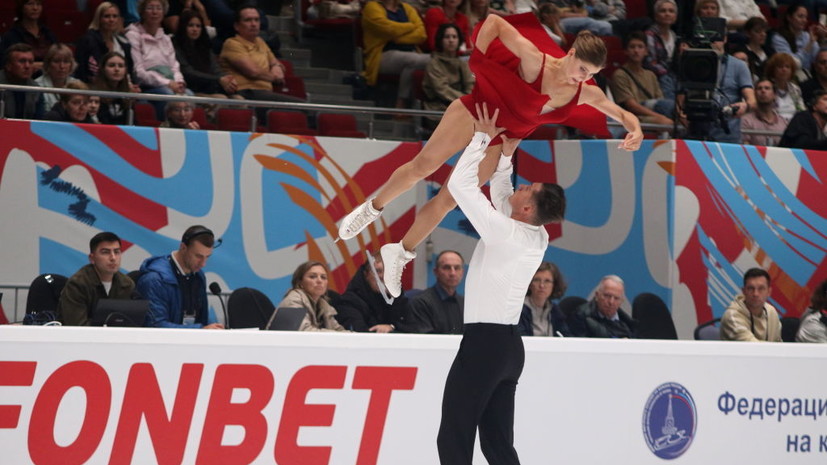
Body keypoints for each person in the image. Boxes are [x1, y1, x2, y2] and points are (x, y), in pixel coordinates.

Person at [338, 13, 642, 298]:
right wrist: (478, 65)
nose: (584, 78)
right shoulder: (535, 61)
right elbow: (494, 22)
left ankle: (400, 252)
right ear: (572, 53)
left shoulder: (585, 92)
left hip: (499, 138)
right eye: (583, 70)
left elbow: (621, 113)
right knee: (423, 167)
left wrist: (636, 129)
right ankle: (371, 209)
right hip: (475, 112)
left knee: (450, 199)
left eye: (591, 74)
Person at [436, 104, 566, 465]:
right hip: (508, 349)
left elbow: (460, 185)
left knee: (454, 436)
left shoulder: (506, 232)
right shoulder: (536, 234)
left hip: (483, 346)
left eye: (531, 189)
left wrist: (480, 137)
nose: (524, 187)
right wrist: (506, 158)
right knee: (496, 445)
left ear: (528, 209)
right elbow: (503, 195)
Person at [218, 4, 303, 118]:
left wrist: (277, 66)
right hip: (247, 93)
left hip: (265, 93)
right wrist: (275, 77)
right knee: (303, 107)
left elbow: (275, 62)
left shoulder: (260, 42)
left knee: (304, 109)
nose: (253, 24)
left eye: (256, 20)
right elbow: (253, 72)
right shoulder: (232, 43)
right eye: (248, 20)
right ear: (237, 26)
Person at [136, 225, 225, 328]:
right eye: (198, 256)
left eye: (207, 257)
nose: (203, 264)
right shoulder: (154, 280)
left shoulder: (198, 276)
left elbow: (202, 319)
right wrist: (201, 330)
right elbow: (156, 326)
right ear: (183, 247)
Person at [126, 0, 193, 119]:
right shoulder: (133, 35)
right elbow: (139, 72)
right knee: (168, 95)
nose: (155, 12)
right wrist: (167, 83)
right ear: (142, 12)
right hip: (148, 85)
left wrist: (179, 82)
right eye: (150, 8)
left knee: (189, 95)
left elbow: (174, 65)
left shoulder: (166, 38)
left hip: (170, 83)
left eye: (158, 8)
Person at [361, 0, 431, 110]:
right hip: (382, 56)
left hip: (412, 54)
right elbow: (388, 29)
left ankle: (404, 103)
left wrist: (396, 38)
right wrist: (411, 26)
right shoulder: (371, 7)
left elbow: (421, 35)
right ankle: (402, 104)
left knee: (422, 62)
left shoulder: (408, 9)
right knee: (417, 60)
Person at [57, 232, 136, 326]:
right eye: (105, 252)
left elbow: (130, 322)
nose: (113, 258)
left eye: (117, 252)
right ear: (92, 258)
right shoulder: (77, 284)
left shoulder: (126, 284)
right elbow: (77, 326)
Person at [331, 253, 412, 332]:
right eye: (377, 271)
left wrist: (392, 327)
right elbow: (359, 336)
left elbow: (415, 327)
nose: (384, 277)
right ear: (366, 274)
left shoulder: (399, 300)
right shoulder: (348, 302)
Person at [609, 31, 674, 126]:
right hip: (634, 116)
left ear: (646, 51)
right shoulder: (620, 75)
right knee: (666, 121)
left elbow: (660, 100)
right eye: (632, 47)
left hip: (653, 110)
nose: (636, 51)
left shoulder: (650, 75)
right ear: (626, 51)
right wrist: (660, 117)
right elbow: (631, 106)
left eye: (640, 47)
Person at [173, 8, 239, 99]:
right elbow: (188, 73)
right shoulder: (176, 46)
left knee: (239, 99)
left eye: (198, 26)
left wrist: (227, 78)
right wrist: (218, 79)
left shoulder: (204, 47)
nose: (195, 29)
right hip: (190, 89)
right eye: (191, 25)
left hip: (209, 87)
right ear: (183, 27)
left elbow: (215, 69)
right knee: (221, 98)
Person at [267, 261, 348, 332]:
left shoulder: (324, 306)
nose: (319, 281)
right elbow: (304, 332)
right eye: (313, 276)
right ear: (300, 282)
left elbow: (338, 330)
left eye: (323, 277)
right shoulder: (293, 300)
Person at [422, 23, 475, 128]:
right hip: (437, 109)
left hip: (461, 107)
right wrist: (466, 102)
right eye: (447, 37)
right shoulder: (434, 63)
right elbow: (442, 90)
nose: (451, 40)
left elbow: (470, 85)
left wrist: (471, 102)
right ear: (440, 40)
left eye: (454, 37)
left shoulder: (462, 63)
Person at [74, 2, 137, 85]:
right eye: (107, 16)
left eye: (115, 16)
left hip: (122, 86)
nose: (111, 20)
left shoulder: (123, 42)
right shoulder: (88, 40)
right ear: (99, 19)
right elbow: (84, 71)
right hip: (96, 87)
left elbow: (129, 70)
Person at [407, 250, 465, 334]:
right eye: (447, 267)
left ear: (462, 273)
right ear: (436, 271)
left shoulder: (465, 303)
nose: (453, 273)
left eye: (457, 268)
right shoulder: (421, 302)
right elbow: (427, 340)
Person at [720, 267, 781, 342]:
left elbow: (779, 344)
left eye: (761, 288)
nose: (756, 294)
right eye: (751, 288)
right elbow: (753, 349)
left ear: (769, 292)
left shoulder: (771, 312)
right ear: (743, 291)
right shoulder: (732, 316)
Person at [518, 261, 572, 337]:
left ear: (554, 285)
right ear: (529, 283)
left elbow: (566, 337)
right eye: (537, 280)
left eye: (547, 281)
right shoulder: (519, 309)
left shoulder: (555, 310)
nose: (542, 285)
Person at [570, 275, 635, 338]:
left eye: (616, 298)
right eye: (607, 296)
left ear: (621, 301)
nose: (611, 302)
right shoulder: (582, 316)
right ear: (597, 295)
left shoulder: (628, 322)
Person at [0, 0, 57, 72]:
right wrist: (33, 65)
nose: (35, 8)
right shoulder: (11, 35)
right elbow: (5, 64)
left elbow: (57, 56)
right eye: (30, 4)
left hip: (50, 76)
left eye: (38, 4)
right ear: (22, 7)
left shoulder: (47, 33)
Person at [771, 2, 826, 73]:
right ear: (789, 18)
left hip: (808, 74)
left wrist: (823, 39)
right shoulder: (778, 38)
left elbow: (818, 58)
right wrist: (809, 45)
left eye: (806, 17)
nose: (804, 20)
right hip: (791, 76)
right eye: (800, 16)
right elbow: (791, 64)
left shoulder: (807, 35)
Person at [644, 0, 679, 99]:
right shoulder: (649, 35)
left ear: (675, 16)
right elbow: (650, 62)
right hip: (657, 76)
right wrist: (668, 74)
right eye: (663, 11)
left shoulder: (674, 35)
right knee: (667, 79)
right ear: (656, 16)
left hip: (672, 74)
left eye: (671, 11)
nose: (667, 14)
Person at [91, 51, 137, 125]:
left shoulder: (128, 95)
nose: (116, 69)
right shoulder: (93, 93)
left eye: (121, 66)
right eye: (111, 65)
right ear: (103, 69)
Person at [0, 43, 45, 120]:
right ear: (8, 65)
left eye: (30, 62)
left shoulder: (35, 89)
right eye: (22, 61)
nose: (27, 66)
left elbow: (39, 120)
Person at [35, 44, 81, 115]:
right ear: (48, 63)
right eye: (56, 61)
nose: (62, 66)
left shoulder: (78, 84)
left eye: (66, 62)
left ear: (71, 64)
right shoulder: (37, 85)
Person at [741, 79, 789, 146]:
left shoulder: (784, 123)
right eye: (759, 88)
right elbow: (745, 148)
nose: (763, 91)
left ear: (774, 95)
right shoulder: (746, 121)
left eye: (767, 88)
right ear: (755, 94)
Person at [765, 52, 805, 120]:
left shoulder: (795, 89)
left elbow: (801, 110)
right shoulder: (766, 87)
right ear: (773, 70)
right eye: (780, 67)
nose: (784, 69)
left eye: (787, 67)